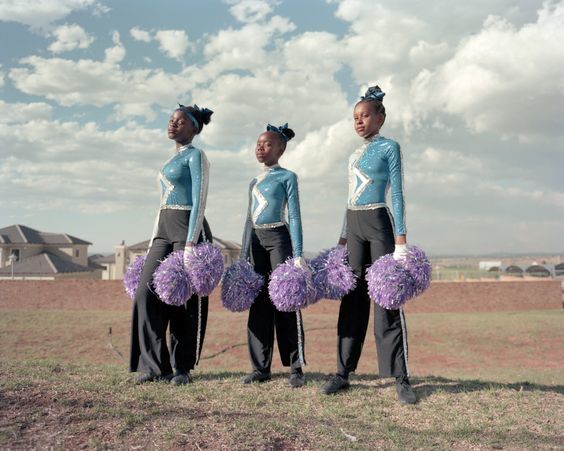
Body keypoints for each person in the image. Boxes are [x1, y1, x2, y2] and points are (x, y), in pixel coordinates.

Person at [320, 86, 416, 404]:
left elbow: (398, 194)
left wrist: (400, 241)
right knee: (352, 299)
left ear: (380, 116)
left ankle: (400, 377)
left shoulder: (390, 148)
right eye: (355, 118)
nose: (359, 122)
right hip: (355, 227)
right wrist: (342, 240)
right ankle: (342, 372)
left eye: (365, 116)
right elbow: (348, 199)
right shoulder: (352, 156)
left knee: (387, 299)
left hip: (379, 225)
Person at [129, 103, 213, 386]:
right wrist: (153, 240)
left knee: (184, 302)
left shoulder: (196, 156)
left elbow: (200, 198)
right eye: (171, 120)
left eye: (180, 122)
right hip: (164, 229)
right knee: (145, 293)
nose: (173, 125)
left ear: (194, 128)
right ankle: (155, 366)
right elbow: (162, 204)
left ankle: (182, 368)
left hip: (188, 228)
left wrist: (190, 243)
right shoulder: (169, 162)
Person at [240, 123, 307, 388]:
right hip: (256, 242)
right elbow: (248, 220)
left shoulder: (287, 177)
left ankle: (295, 367)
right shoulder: (253, 182)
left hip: (280, 240)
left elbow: (295, 216)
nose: (260, 147)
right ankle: (260, 367)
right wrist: (244, 254)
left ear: (280, 149)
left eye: (267, 144)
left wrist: (299, 254)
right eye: (258, 143)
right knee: (258, 305)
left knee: (286, 302)